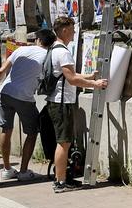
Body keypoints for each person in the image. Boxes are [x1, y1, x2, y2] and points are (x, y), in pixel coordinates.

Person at [44, 16, 108, 193]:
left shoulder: (54, 49)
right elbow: (72, 80)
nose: (73, 34)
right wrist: (95, 84)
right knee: (63, 143)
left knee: (63, 142)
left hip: (57, 101)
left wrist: (89, 76)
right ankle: (60, 182)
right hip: (61, 102)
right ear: (64, 30)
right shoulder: (63, 51)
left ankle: (61, 179)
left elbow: (69, 74)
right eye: (72, 30)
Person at [0, 28, 54, 181]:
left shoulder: (21, 50)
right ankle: (24, 171)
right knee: (32, 132)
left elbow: (1, 71)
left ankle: (7, 168)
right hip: (25, 97)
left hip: (6, 91)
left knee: (5, 129)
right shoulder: (49, 56)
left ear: (37, 40)